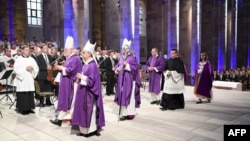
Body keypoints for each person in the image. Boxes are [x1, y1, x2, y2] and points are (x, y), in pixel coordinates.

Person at [72, 40, 105, 137]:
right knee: (82, 110)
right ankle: (83, 130)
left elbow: (92, 81)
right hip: (83, 91)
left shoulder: (92, 65)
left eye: (84, 52)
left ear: (89, 54)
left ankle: (90, 131)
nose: (82, 53)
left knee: (89, 110)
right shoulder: (86, 64)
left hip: (89, 93)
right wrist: (80, 76)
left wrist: (81, 77)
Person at [50, 36, 82, 126]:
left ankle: (61, 120)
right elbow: (68, 69)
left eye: (66, 50)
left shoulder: (75, 58)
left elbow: (71, 70)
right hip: (67, 83)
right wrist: (61, 67)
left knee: (70, 102)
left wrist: (61, 67)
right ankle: (62, 119)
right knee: (69, 103)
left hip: (71, 84)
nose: (64, 51)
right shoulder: (70, 58)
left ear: (71, 50)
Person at [114, 38, 141, 121]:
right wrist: (116, 69)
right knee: (122, 95)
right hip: (121, 80)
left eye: (124, 49)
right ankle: (123, 113)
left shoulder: (131, 58)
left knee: (128, 96)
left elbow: (135, 68)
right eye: (122, 49)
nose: (122, 50)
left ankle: (129, 113)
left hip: (129, 80)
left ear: (127, 50)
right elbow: (117, 66)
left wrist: (127, 66)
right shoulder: (122, 58)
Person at [13, 45, 39, 115]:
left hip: (29, 78)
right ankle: (23, 109)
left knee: (30, 94)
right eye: (26, 50)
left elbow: (36, 68)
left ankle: (30, 108)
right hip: (22, 80)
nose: (28, 51)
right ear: (22, 51)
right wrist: (25, 68)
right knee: (23, 94)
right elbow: (16, 70)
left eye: (28, 50)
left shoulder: (31, 59)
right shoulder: (18, 59)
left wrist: (33, 68)